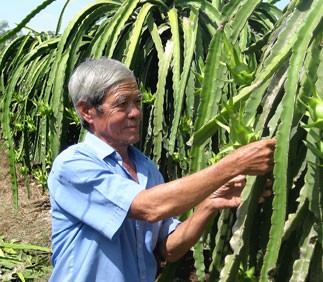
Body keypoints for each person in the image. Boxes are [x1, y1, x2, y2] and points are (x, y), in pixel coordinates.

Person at [48, 58, 276, 282]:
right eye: (121, 103)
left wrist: (211, 202)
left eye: (137, 102)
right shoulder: (73, 165)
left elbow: (170, 249)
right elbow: (148, 207)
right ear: (87, 111)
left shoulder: (146, 168)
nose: (135, 112)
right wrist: (233, 164)